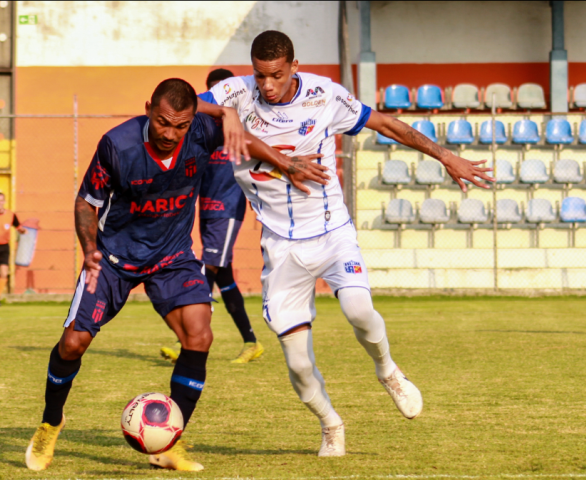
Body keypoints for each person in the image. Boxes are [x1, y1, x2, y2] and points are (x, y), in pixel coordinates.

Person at [198, 31, 495, 457]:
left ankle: (388, 371)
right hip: (282, 247)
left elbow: (386, 124)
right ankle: (330, 424)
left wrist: (445, 155)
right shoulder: (235, 92)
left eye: (277, 76)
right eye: (261, 75)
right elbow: (175, 101)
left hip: (332, 231)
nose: (267, 86)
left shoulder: (324, 95)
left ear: (294, 67)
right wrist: (223, 113)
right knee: (298, 364)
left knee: (359, 309)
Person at [25, 78, 328, 472]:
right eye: (163, 122)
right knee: (73, 343)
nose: (170, 133)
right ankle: (51, 423)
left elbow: (247, 142)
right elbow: (87, 201)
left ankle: (168, 444)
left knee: (200, 335)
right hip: (114, 257)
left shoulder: (202, 131)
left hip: (171, 256)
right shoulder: (118, 144)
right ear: (149, 107)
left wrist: (286, 163)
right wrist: (89, 249)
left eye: (180, 126)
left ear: (192, 121)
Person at [160, 68, 263, 365]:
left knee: (209, 269)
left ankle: (189, 343)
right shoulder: (202, 127)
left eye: (226, 91)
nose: (222, 100)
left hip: (228, 208)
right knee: (225, 277)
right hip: (205, 207)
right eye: (215, 93)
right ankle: (251, 342)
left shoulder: (243, 123)